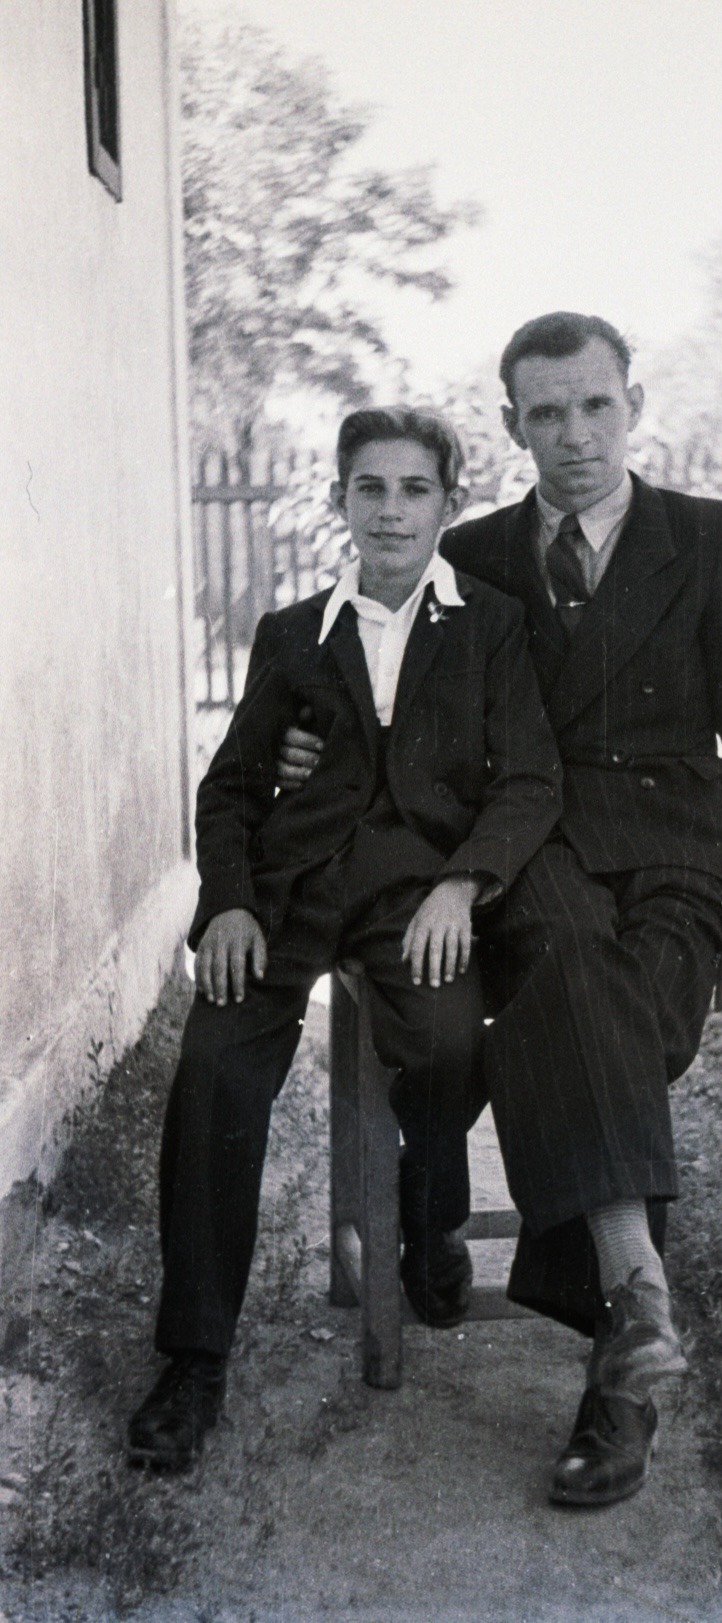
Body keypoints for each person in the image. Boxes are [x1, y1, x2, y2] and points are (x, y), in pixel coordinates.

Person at [279, 313, 722, 1506]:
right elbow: (369, 681)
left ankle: (627, 1317)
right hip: (537, 845)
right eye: (548, 414)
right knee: (568, 964)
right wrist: (306, 758)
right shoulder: (473, 554)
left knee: (606, 1007)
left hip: (683, 854)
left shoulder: (717, 541)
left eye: (596, 407)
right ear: (513, 426)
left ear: (633, 405)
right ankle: (633, 1339)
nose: (576, 437)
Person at [127, 408, 561, 1470]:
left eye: (416, 490)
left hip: (410, 902)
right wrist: (227, 900)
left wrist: (464, 885)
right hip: (285, 899)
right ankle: (194, 1362)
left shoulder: (492, 626)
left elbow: (533, 780)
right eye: (371, 489)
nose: (393, 511)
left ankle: (430, 1211)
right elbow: (230, 788)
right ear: (340, 504)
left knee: (455, 1041)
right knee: (215, 1072)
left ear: (449, 506)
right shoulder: (291, 634)